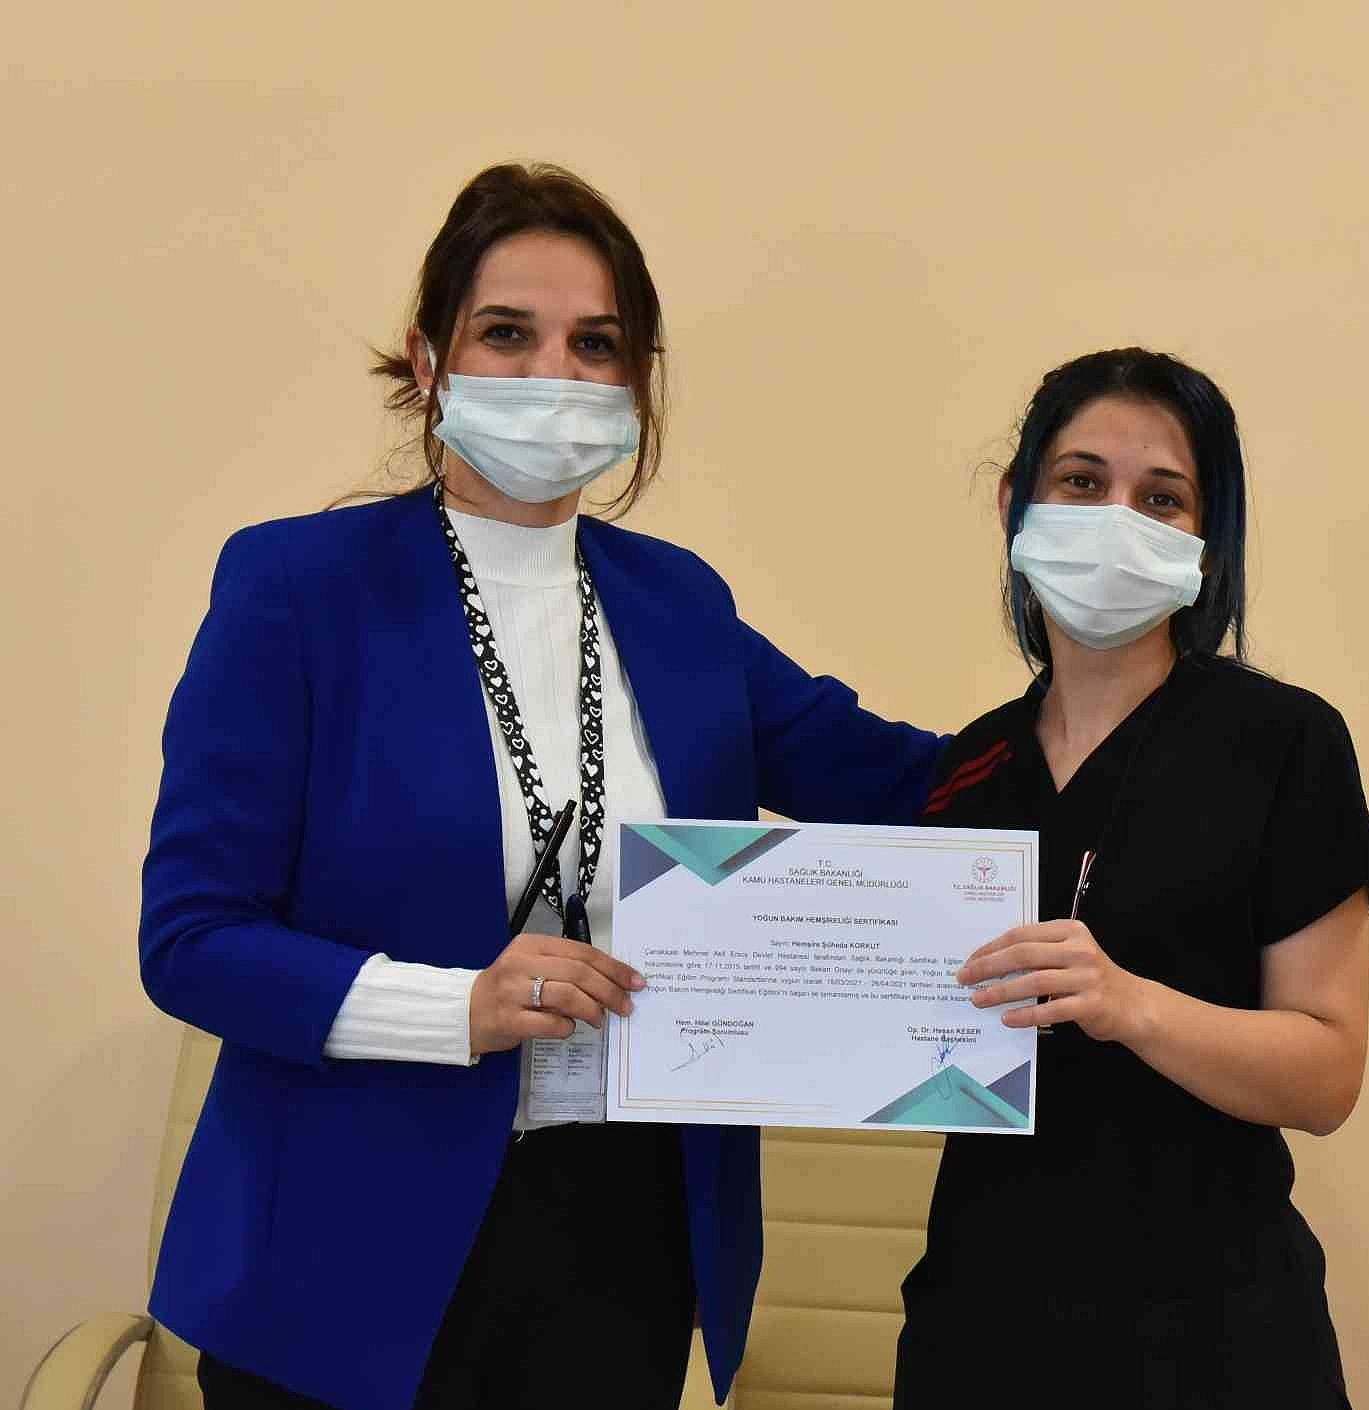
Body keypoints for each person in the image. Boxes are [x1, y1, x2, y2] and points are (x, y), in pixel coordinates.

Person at [139, 161, 942, 1410]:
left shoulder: (678, 604)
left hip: (619, 1237)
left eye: (595, 345)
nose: (551, 375)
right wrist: (456, 1006)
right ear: (428, 360)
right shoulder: (298, 590)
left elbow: (903, 781)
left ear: (636, 383)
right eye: (506, 335)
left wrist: (1122, 709)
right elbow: (194, 942)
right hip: (338, 1247)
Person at [893, 349, 1369, 1409]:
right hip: (982, 1326)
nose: (1115, 518)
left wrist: (1131, 1006)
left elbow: (1327, 1077)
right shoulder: (970, 769)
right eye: (1081, 481)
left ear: (1205, 541)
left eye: (1161, 497)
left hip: (1213, 1341)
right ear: (1015, 504)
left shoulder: (1281, 743)